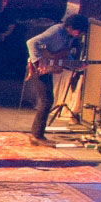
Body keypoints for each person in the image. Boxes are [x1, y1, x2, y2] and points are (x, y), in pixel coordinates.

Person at [24, 14, 89, 146]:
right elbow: (31, 42)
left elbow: (62, 55)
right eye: (79, 31)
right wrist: (38, 61)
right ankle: (36, 135)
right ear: (71, 27)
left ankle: (37, 134)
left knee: (47, 100)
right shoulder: (57, 31)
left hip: (47, 68)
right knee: (46, 100)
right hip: (39, 68)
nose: (80, 34)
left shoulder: (68, 37)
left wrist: (75, 64)